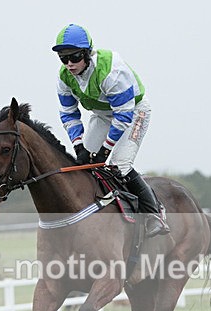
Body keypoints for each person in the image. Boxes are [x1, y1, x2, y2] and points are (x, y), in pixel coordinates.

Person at [52, 23, 170, 238]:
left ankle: (154, 214)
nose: (69, 64)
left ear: (87, 53)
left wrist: (105, 150)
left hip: (134, 113)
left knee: (119, 165)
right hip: (102, 115)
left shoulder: (111, 70)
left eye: (74, 57)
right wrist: (78, 146)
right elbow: (68, 113)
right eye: (63, 58)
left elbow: (124, 115)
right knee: (83, 165)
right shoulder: (64, 77)